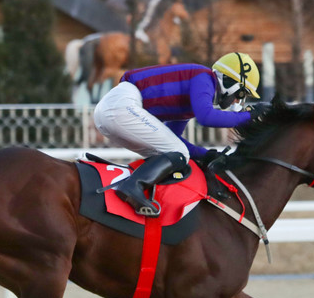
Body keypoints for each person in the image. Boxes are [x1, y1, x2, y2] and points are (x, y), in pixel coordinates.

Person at [93, 51, 262, 217]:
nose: (237, 101)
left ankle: (148, 194)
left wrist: (207, 154)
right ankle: (132, 187)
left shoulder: (193, 96)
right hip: (121, 105)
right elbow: (207, 117)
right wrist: (249, 115)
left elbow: (173, 140)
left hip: (115, 108)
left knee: (174, 154)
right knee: (179, 153)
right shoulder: (204, 77)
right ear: (229, 80)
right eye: (241, 94)